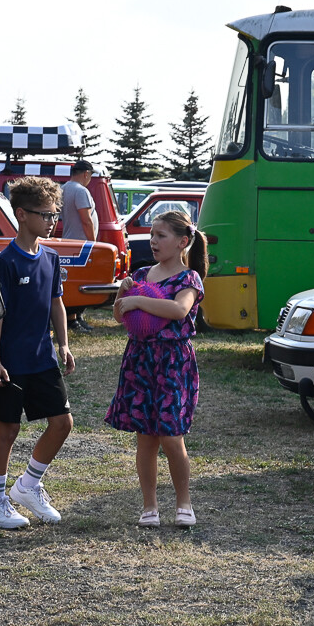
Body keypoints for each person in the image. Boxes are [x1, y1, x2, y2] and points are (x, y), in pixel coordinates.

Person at [0, 176, 76, 528]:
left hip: (43, 359)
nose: (52, 221)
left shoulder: (51, 257)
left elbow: (56, 303)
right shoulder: (5, 262)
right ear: (21, 214)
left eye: (54, 215)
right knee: (7, 430)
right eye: (45, 215)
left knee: (62, 423)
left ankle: (29, 485)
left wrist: (63, 343)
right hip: (10, 363)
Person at [106, 209, 207, 528]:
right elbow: (119, 317)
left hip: (172, 362)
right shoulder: (144, 274)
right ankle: (149, 507)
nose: (153, 241)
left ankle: (184, 503)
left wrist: (138, 301)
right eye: (151, 235)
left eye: (160, 235)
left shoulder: (188, 277)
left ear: (182, 242)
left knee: (170, 436)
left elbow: (179, 310)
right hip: (140, 360)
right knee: (146, 438)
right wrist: (123, 295)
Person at [61, 159, 98, 333]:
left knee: (72, 283)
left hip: (70, 240)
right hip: (82, 244)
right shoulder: (81, 191)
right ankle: (72, 321)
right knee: (80, 284)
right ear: (86, 174)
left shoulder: (64, 188)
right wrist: (93, 243)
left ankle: (77, 317)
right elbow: (86, 219)